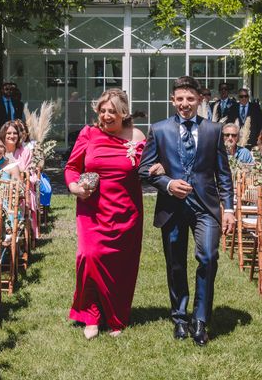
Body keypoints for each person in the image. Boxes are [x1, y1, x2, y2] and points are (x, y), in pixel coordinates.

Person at [139, 76, 235, 347]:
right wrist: (168, 184)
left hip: (206, 206)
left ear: (200, 100)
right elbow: (144, 170)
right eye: (180, 99)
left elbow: (223, 175)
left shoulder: (214, 130)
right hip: (172, 207)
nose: (185, 104)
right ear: (173, 101)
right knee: (176, 263)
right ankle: (181, 317)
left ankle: (201, 320)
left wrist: (229, 209)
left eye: (190, 99)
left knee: (207, 257)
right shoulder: (159, 130)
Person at [65, 88, 146, 340]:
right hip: (92, 208)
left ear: (124, 112)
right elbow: (71, 167)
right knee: (89, 257)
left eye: (112, 110)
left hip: (126, 211)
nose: (106, 115)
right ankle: (91, 315)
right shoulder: (88, 134)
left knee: (121, 265)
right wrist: (74, 187)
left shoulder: (136, 136)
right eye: (102, 110)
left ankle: (116, 316)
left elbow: (147, 169)